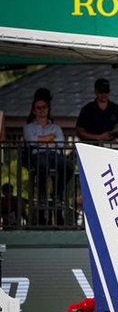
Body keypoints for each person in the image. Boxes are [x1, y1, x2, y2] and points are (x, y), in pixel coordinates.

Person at [23, 88, 74, 224]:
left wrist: (41, 140)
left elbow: (61, 143)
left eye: (44, 107)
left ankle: (57, 194)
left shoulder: (56, 127)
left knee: (68, 166)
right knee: (42, 166)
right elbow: (31, 141)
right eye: (38, 108)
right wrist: (50, 139)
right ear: (34, 110)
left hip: (54, 155)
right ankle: (42, 197)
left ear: (48, 109)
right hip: (38, 156)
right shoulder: (28, 127)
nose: (41, 110)